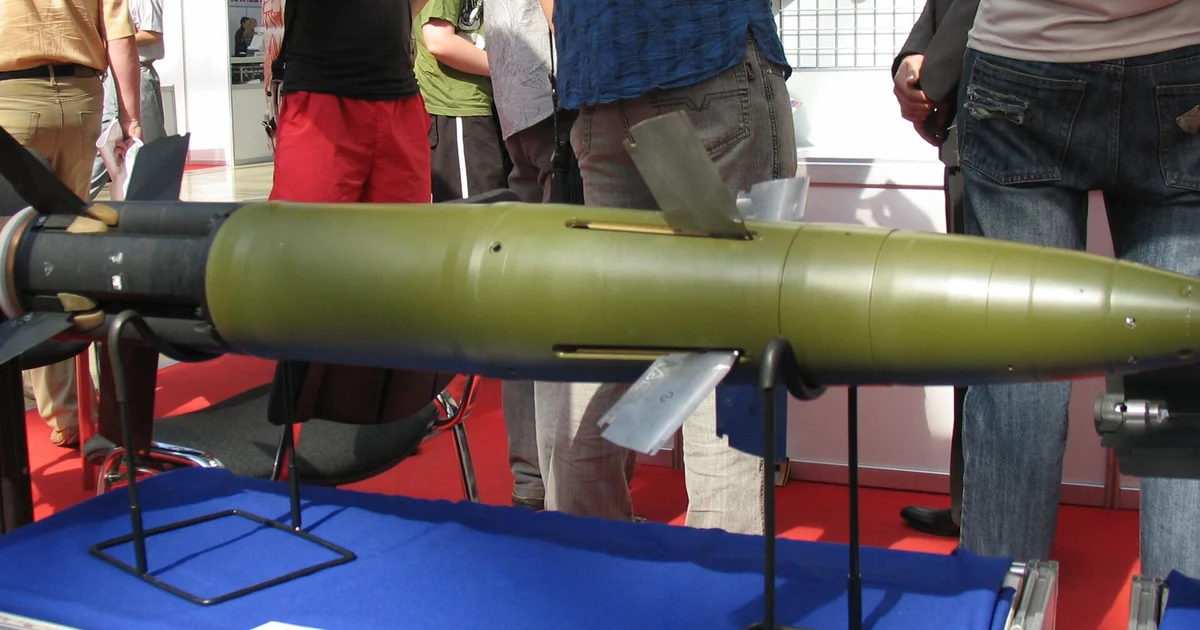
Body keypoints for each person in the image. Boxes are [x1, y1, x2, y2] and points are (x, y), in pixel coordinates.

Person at [957, 0, 1200, 580]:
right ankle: (1184, 611)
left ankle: (1000, 604)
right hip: (1179, 53)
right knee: (1180, 384)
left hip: (1026, 50)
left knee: (1018, 379)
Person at [536, 0, 795, 534]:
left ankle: (584, 552)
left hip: (600, 80)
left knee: (608, 335)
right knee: (727, 338)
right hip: (705, 54)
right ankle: (717, 574)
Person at [0, 0, 143, 448]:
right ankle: (70, 409)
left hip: (9, 95)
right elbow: (119, 35)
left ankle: (54, 399)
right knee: (58, 253)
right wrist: (131, 118)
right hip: (81, 96)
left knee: (11, 259)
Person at [890, 0, 980, 539]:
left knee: (990, 338)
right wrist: (912, 60)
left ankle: (989, 525)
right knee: (979, 337)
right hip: (982, 120)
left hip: (1002, 122)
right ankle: (974, 507)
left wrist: (931, 79)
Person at [482, 0, 559, 511]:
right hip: (554, 96)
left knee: (529, 302)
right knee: (565, 303)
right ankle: (563, 488)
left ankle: (533, 480)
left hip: (518, 99)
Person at [413, 0, 510, 202]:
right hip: (457, 108)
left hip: (483, 106)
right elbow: (439, 41)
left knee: (493, 204)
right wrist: (508, 69)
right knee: (475, 211)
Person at [90, 0, 168, 199]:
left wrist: (114, 40)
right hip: (113, 73)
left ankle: (162, 198)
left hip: (139, 72)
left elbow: (153, 34)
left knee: (150, 141)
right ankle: (81, 195)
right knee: (107, 136)